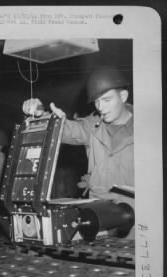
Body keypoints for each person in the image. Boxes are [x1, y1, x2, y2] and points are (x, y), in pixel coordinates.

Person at [22, 66, 134, 204]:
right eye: (97, 101)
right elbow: (71, 130)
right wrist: (43, 114)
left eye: (106, 100)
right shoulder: (93, 126)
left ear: (123, 96)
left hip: (137, 213)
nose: (100, 107)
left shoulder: (149, 130)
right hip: (100, 210)